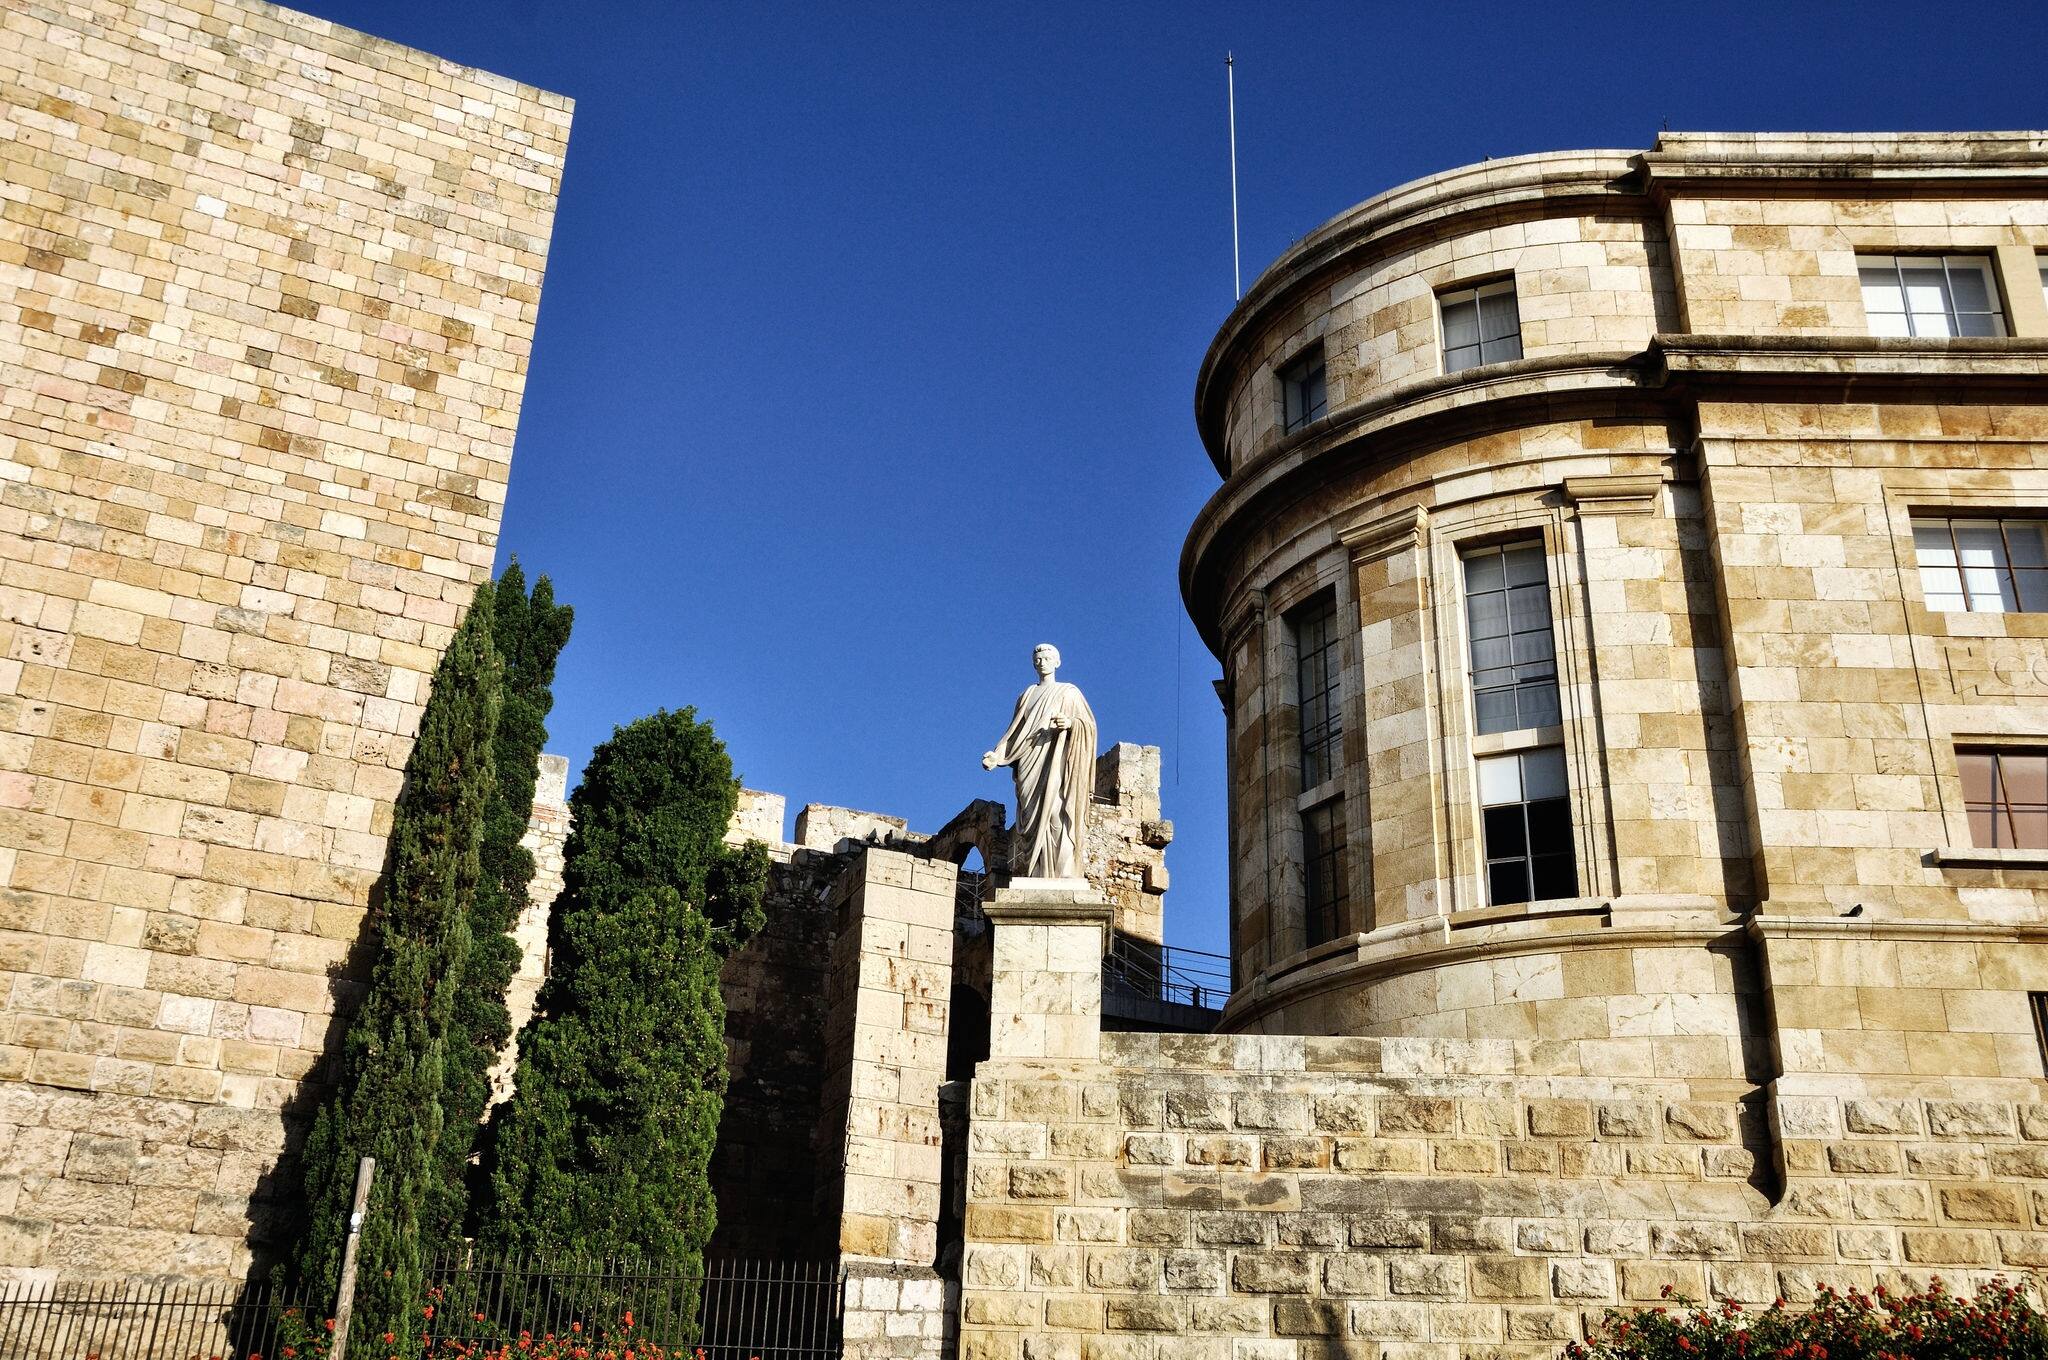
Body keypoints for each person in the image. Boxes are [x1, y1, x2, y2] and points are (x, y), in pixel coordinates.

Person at [982, 643, 1098, 882]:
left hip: (1056, 761)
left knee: (1057, 813)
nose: (1041, 662)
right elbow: (1014, 733)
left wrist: (1071, 724)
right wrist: (998, 754)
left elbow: (1089, 726)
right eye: (1038, 659)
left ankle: (1063, 873)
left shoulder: (1069, 692)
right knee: (1032, 825)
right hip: (1029, 764)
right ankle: (1037, 873)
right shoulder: (1026, 695)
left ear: (1057, 662)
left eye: (1047, 658)